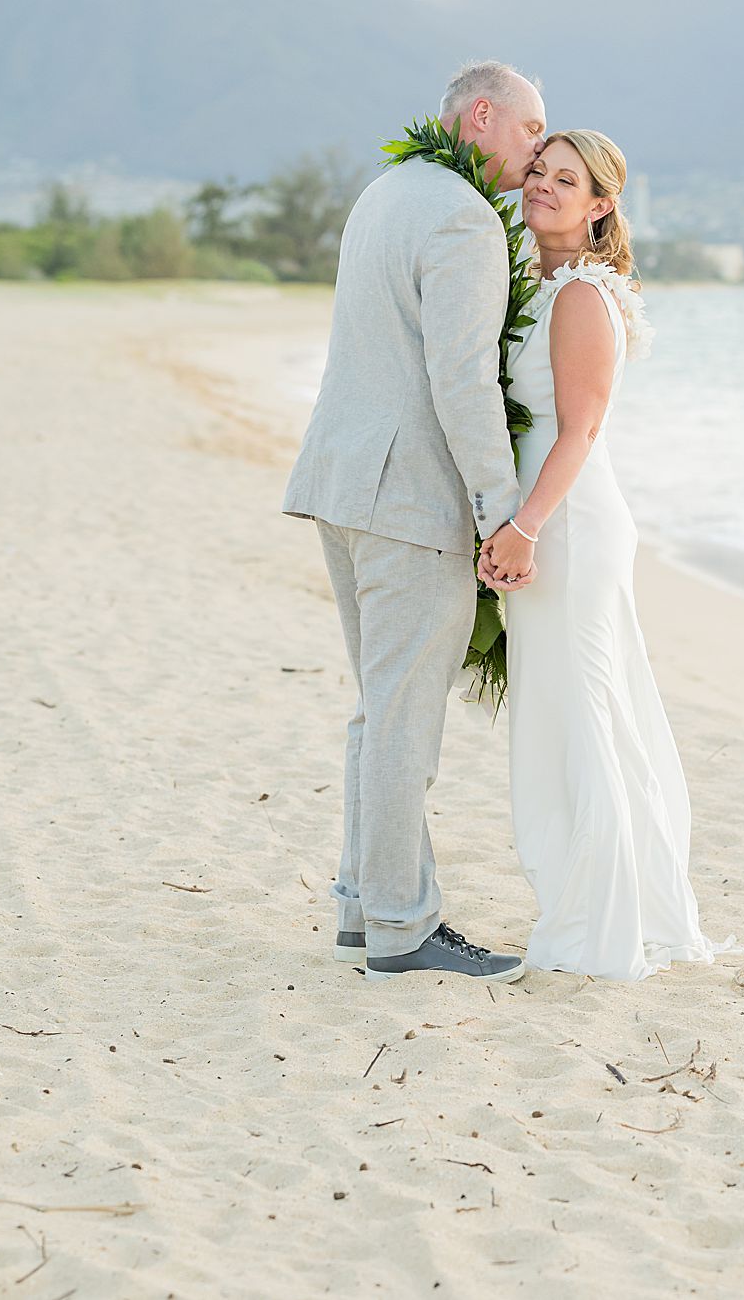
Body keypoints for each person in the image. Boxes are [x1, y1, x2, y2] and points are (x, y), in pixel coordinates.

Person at [283, 60, 546, 984]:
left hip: (339, 481)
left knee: (376, 707)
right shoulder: (466, 216)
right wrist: (501, 513)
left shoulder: (385, 191)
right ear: (482, 115)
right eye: (529, 129)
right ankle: (402, 926)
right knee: (402, 718)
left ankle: (362, 906)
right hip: (408, 499)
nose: (538, 148)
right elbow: (462, 378)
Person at [479, 130, 743, 980]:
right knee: (562, 715)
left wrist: (523, 527)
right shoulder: (537, 281)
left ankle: (604, 927)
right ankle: (590, 904)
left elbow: (582, 428)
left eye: (567, 180)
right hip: (546, 517)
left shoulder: (582, 297)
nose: (544, 188)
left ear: (601, 205)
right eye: (538, 173)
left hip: (570, 525)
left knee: (582, 714)